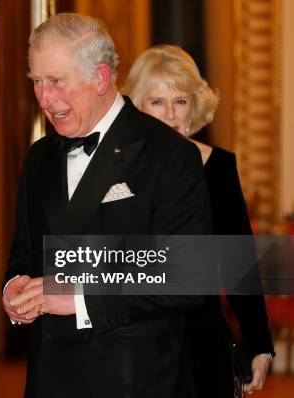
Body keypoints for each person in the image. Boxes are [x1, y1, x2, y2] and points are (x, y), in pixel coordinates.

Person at [2, 14, 212, 397]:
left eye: (57, 81)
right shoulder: (39, 157)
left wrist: (81, 296)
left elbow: (188, 277)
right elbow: (26, 254)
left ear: (100, 79)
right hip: (50, 378)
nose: (45, 99)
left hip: (135, 380)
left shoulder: (169, 155)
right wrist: (15, 286)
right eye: (37, 82)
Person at [122, 44, 275, 397]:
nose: (171, 115)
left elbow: (240, 262)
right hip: (134, 339)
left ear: (195, 106)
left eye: (181, 101)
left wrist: (260, 345)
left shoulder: (218, 167)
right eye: (157, 102)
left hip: (202, 338)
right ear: (138, 107)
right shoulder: (118, 169)